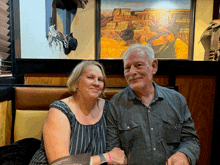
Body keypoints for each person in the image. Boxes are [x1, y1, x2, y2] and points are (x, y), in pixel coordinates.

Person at [105, 44, 200, 165]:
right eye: (127, 68)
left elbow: (190, 139)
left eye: (138, 65)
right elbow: (113, 149)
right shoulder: (115, 105)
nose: (132, 72)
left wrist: (183, 155)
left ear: (153, 66)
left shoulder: (177, 100)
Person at [29, 61, 127, 165]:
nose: (96, 83)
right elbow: (60, 163)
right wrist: (106, 157)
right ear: (76, 82)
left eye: (100, 80)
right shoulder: (60, 110)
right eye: (90, 77)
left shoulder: (109, 108)